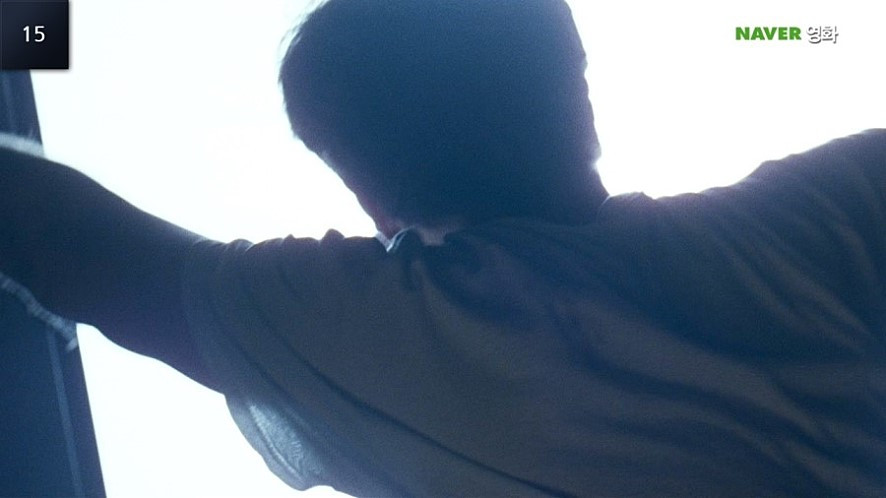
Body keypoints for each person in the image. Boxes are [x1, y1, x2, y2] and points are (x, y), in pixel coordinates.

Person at [1, 0, 884, 495]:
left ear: (371, 190)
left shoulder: (399, 339)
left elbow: (58, 235)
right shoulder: (833, 206)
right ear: (576, 90)